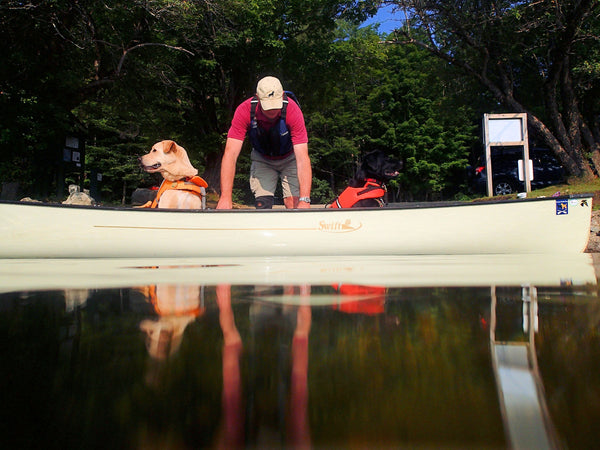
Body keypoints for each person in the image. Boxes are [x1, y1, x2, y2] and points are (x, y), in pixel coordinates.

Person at [216, 76, 312, 209]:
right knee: (262, 205)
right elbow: (230, 154)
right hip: (262, 158)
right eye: (268, 105)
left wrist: (305, 200)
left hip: (290, 158)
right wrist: (225, 197)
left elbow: (302, 158)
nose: (272, 110)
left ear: (283, 95)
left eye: (275, 104)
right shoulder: (244, 110)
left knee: (294, 203)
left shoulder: (293, 111)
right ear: (257, 97)